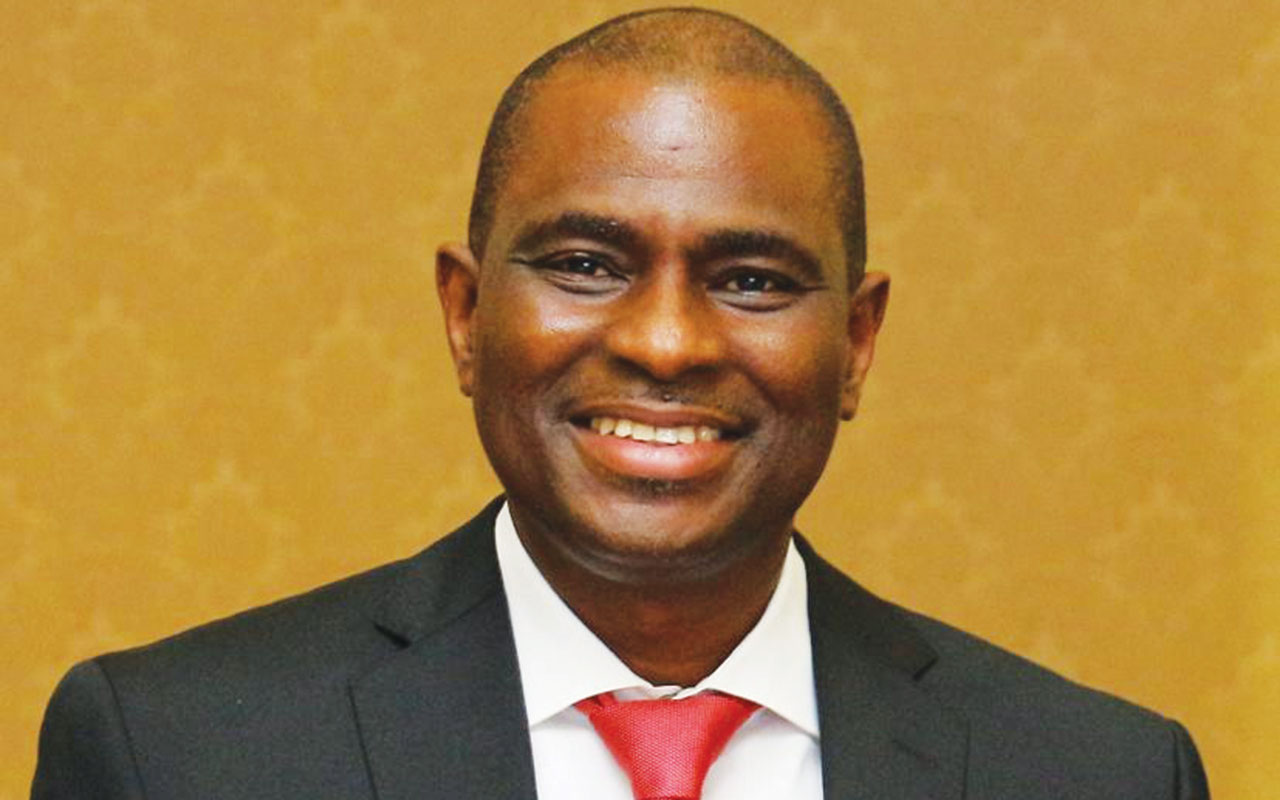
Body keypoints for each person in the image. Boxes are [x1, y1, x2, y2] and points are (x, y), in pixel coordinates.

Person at [32, 8, 1209, 799]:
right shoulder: (175, 752)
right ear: (463, 313)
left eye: (751, 279)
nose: (664, 341)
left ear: (854, 343)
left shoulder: (1095, 773)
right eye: (586, 264)